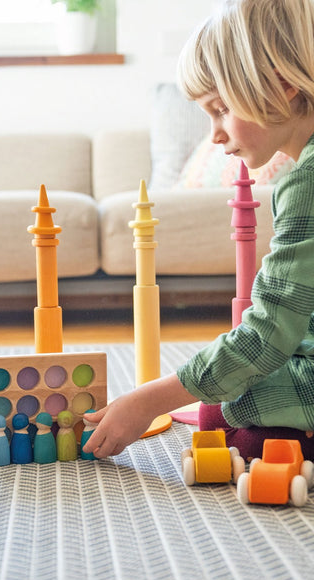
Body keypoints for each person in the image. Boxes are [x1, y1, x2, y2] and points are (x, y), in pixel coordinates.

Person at [83, 0, 314, 461]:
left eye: (221, 109)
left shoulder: (307, 183)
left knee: (223, 411)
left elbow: (266, 336)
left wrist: (147, 401)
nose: (215, 135)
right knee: (222, 400)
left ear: (284, 85)